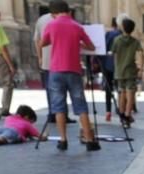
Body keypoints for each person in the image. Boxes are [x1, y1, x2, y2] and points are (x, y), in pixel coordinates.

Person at [39, 0, 100, 151]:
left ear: (53, 13)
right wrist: (79, 45)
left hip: (56, 71)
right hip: (74, 71)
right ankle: (90, 141)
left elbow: (43, 43)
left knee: (59, 107)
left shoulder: (51, 25)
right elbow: (91, 46)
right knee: (81, 106)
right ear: (69, 11)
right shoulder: (76, 26)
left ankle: (63, 140)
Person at [34, 5, 74, 126]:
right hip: (63, 60)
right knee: (63, 88)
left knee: (50, 88)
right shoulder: (67, 21)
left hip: (47, 60)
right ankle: (63, 115)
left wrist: (40, 57)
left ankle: (53, 114)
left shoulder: (41, 19)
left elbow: (37, 40)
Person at [111, 17, 143, 127]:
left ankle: (122, 117)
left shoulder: (117, 40)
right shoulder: (135, 42)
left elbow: (113, 54)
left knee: (121, 94)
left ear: (123, 28)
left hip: (119, 72)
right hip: (130, 72)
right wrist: (141, 68)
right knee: (130, 96)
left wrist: (116, 66)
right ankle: (127, 115)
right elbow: (141, 54)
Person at [101, 16, 120, 122]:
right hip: (119, 65)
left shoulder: (108, 34)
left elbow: (103, 49)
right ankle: (121, 109)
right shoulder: (121, 34)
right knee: (120, 89)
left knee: (108, 89)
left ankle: (108, 111)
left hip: (108, 64)